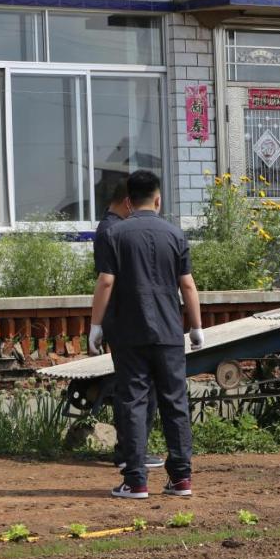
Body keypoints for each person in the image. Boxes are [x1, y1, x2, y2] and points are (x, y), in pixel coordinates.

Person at [90, 170, 205, 498]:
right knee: (175, 401)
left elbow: (106, 281)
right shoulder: (175, 235)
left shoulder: (116, 234)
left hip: (129, 332)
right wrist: (196, 327)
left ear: (128, 201)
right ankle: (181, 478)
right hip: (169, 332)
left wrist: (95, 326)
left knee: (133, 401)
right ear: (158, 200)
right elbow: (188, 285)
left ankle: (136, 480)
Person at [91, 181, 165, 472]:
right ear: (128, 202)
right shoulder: (113, 230)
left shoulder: (109, 228)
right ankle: (130, 451)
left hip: (123, 318)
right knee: (138, 389)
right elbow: (108, 280)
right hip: (128, 319)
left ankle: (132, 449)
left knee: (135, 387)